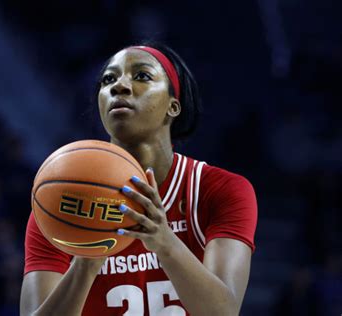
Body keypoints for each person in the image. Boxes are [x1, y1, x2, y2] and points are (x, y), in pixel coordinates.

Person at [20, 42, 258, 316]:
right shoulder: (58, 201)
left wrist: (165, 243)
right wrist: (85, 265)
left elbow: (224, 313)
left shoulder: (218, 190)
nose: (118, 86)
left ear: (173, 106)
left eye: (142, 75)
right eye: (108, 79)